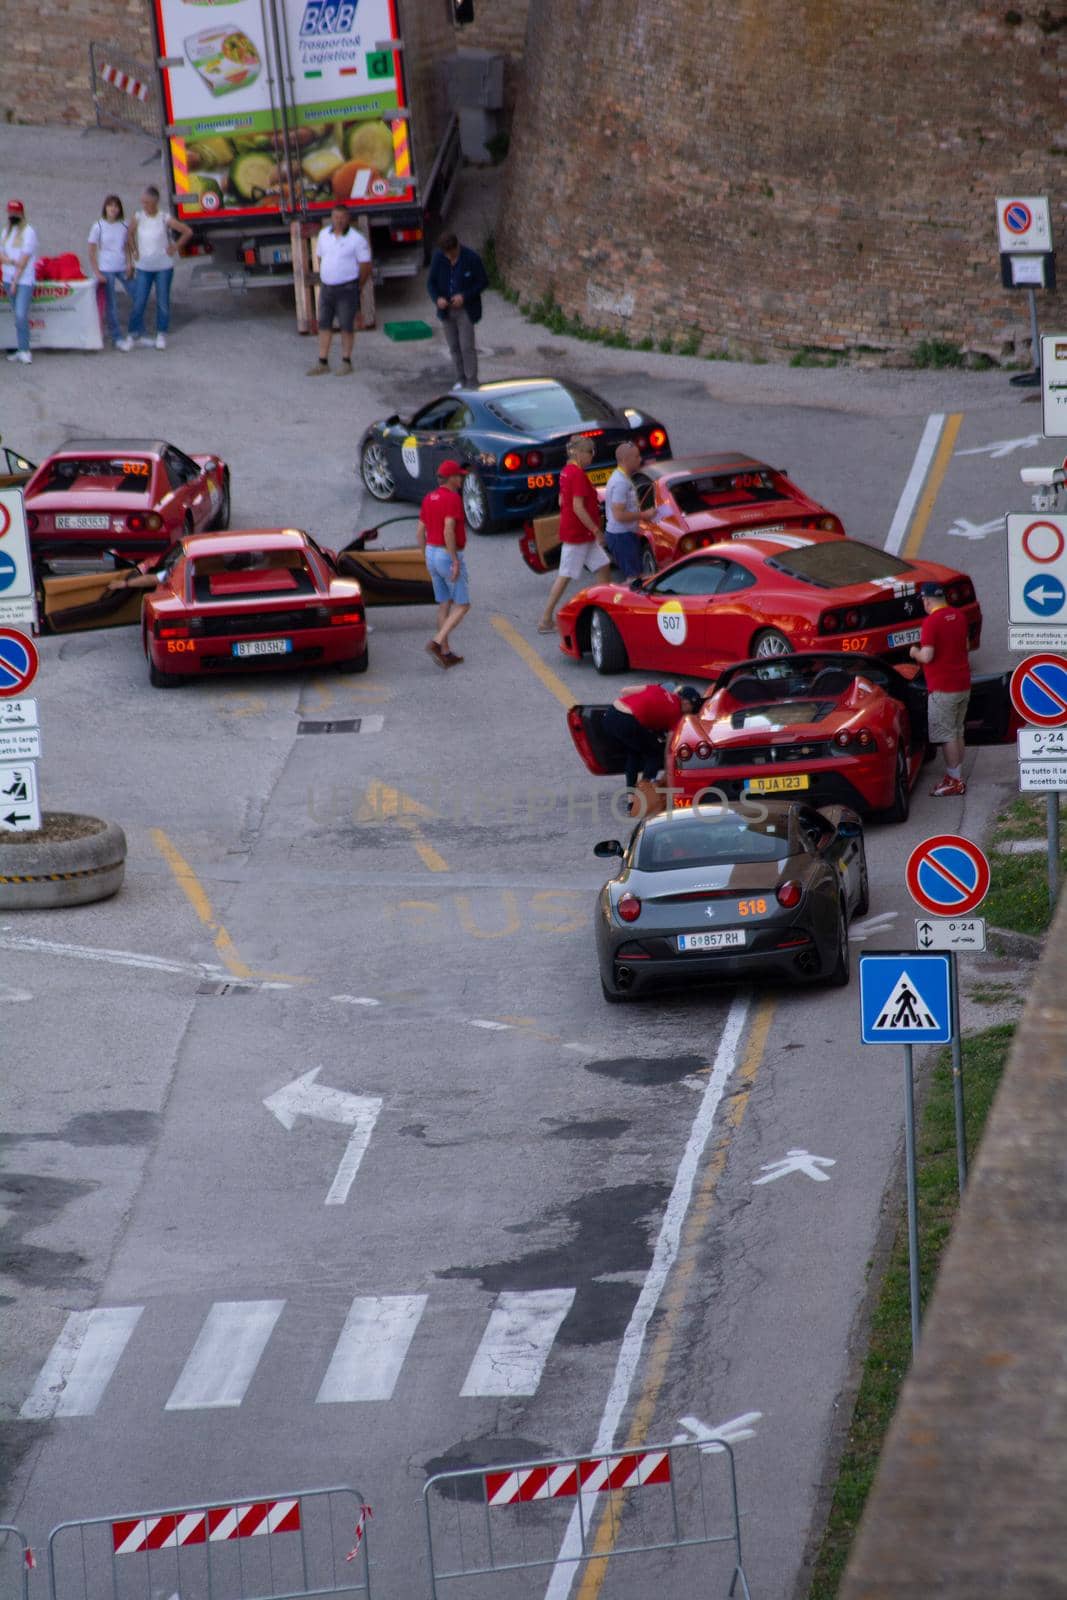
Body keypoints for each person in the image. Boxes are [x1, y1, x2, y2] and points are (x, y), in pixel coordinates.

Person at [537, 436, 610, 633]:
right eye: (590, 453)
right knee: (565, 575)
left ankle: (606, 610)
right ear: (578, 453)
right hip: (579, 534)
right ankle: (545, 619)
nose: (592, 457)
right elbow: (578, 507)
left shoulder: (566, 472)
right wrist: (595, 530)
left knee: (603, 565)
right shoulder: (577, 474)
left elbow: (562, 501)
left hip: (579, 533)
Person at [909, 580, 972, 797]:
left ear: (926, 601)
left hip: (942, 688)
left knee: (947, 735)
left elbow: (927, 655)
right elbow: (966, 646)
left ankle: (955, 781)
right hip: (963, 684)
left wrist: (914, 652)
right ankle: (956, 774)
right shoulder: (959, 616)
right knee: (957, 731)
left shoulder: (931, 622)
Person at [603, 682, 704, 813]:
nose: (690, 713)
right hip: (628, 722)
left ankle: (631, 800)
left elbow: (624, 690)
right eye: (693, 708)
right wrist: (668, 769)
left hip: (610, 715)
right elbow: (669, 746)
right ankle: (644, 797)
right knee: (655, 755)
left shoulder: (656, 689)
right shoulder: (676, 715)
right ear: (685, 702)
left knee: (634, 752)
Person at [417, 459, 471, 668]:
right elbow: (449, 529)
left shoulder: (429, 498)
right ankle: (437, 642)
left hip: (431, 551)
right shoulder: (452, 499)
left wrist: (425, 556)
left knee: (444, 603)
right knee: (463, 605)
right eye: (459, 476)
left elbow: (419, 531)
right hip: (446, 554)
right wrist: (454, 560)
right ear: (451, 478)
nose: (461, 479)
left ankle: (446, 653)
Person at [310, 206, 372, 377]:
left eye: (342, 217)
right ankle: (322, 361)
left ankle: (346, 361)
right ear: (331, 217)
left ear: (347, 219)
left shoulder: (356, 239)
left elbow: (365, 265)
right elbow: (321, 256)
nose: (338, 220)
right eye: (335, 217)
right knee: (324, 323)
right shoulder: (324, 235)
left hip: (347, 287)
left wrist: (358, 285)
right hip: (327, 286)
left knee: (346, 325)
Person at [127, 186, 192, 351]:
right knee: (139, 301)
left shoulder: (164, 218)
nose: (144, 205)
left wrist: (175, 247)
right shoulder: (138, 217)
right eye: (143, 201)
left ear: (155, 202)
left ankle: (161, 333)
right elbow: (129, 234)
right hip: (143, 267)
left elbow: (187, 231)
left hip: (163, 266)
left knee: (163, 301)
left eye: (147, 202)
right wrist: (134, 250)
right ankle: (133, 333)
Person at [426, 232, 489, 390]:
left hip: (465, 310)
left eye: (452, 254)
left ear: (457, 247)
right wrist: (437, 299)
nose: (449, 257)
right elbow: (431, 283)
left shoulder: (471, 258)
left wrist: (464, 296)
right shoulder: (438, 258)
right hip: (446, 311)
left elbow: (483, 281)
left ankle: (472, 381)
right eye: (446, 254)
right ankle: (460, 379)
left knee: (467, 346)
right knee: (454, 346)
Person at [88, 195, 133, 352]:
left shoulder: (124, 225)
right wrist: (97, 272)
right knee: (111, 304)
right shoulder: (98, 226)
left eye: (116, 206)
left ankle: (137, 331)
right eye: (110, 205)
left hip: (121, 266)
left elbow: (127, 247)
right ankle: (117, 337)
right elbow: (92, 251)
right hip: (106, 268)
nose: (113, 209)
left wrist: (129, 263)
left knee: (137, 294)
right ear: (105, 208)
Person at [2, 200, 38, 365]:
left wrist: (15, 281)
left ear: (22, 213)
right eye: (10, 212)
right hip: (8, 278)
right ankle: (20, 348)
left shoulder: (29, 232)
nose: (12, 215)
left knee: (20, 314)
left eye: (15, 212)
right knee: (17, 316)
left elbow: (24, 260)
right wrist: (11, 262)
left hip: (23, 280)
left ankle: (25, 350)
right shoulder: (5, 232)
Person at [603, 441, 645, 577]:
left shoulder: (621, 478)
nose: (640, 459)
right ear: (625, 460)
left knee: (635, 576)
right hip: (621, 536)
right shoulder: (620, 482)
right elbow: (619, 515)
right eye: (637, 457)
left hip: (623, 535)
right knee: (633, 579)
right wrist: (644, 515)